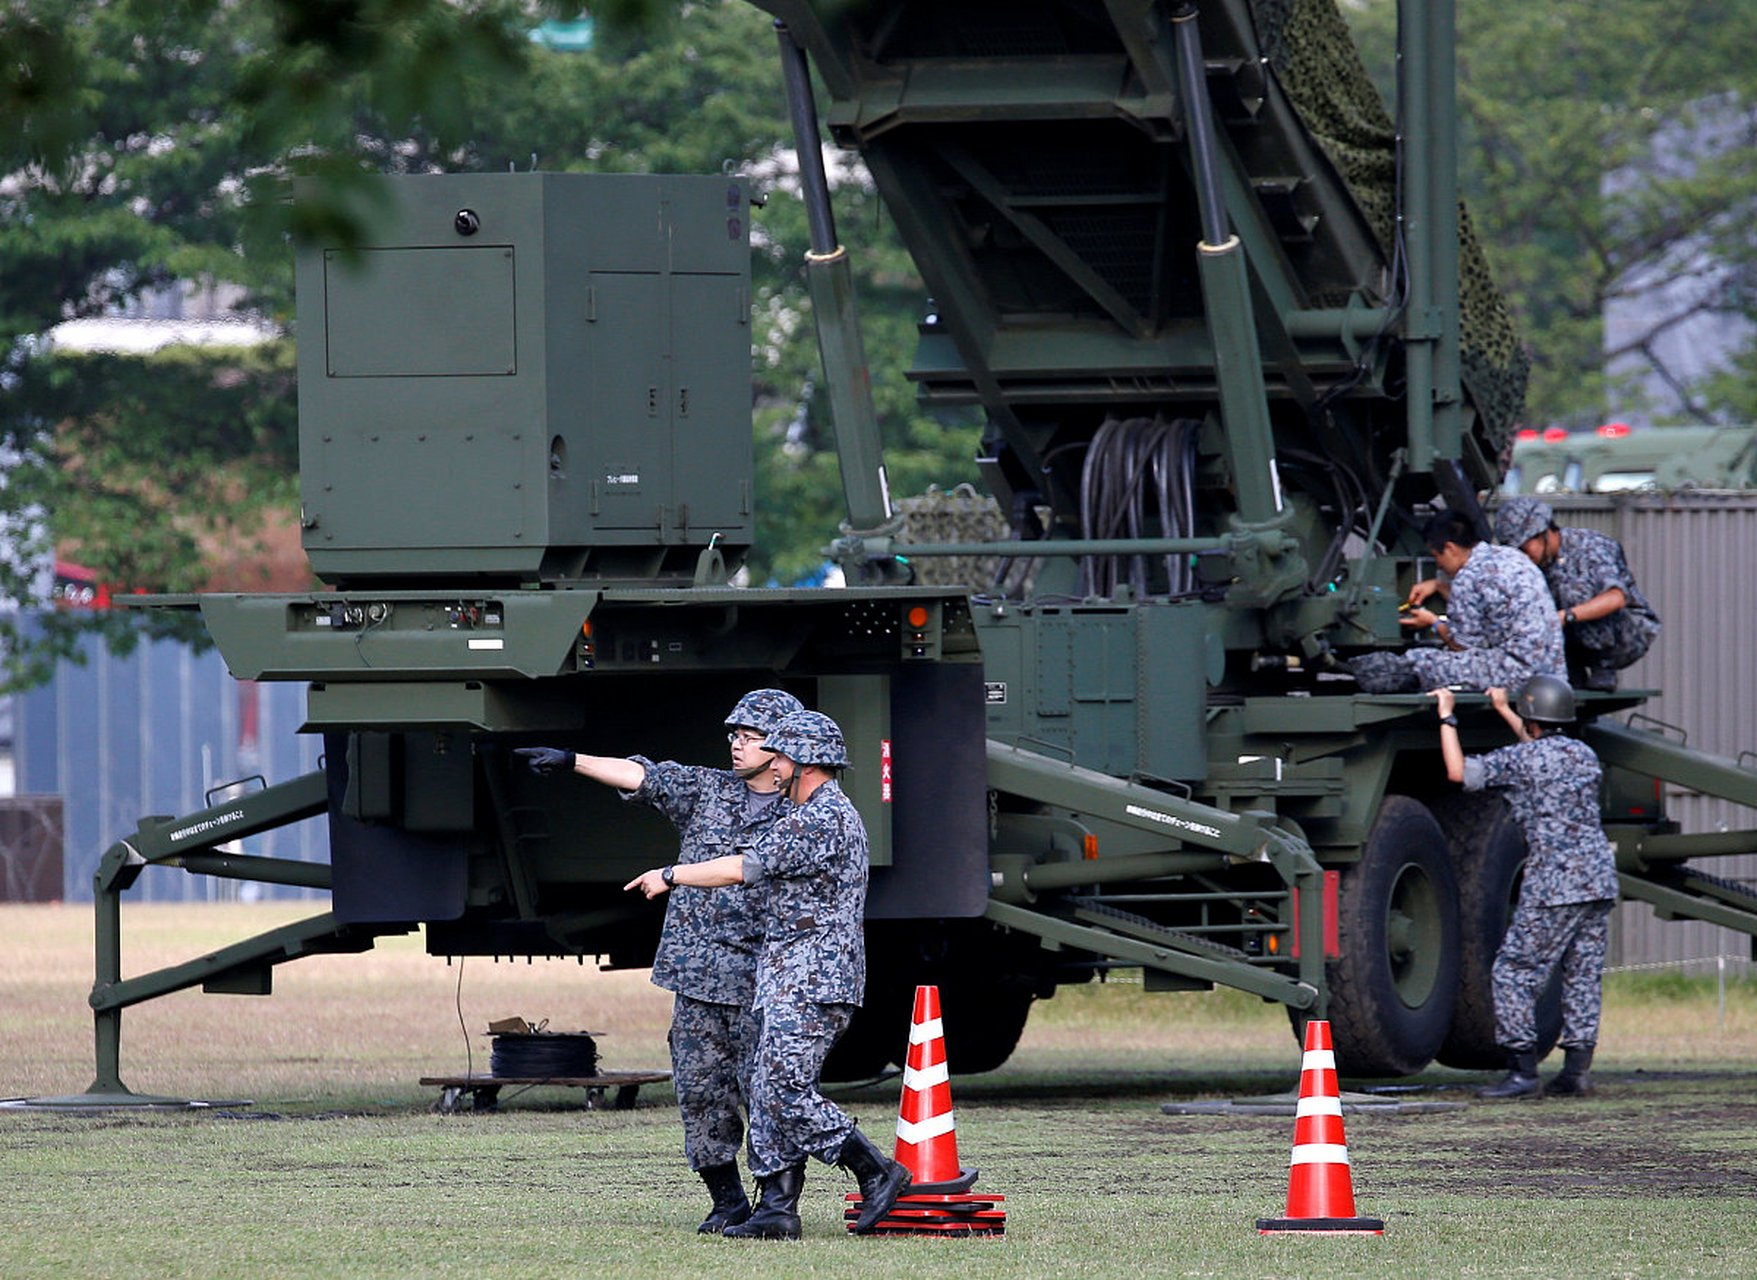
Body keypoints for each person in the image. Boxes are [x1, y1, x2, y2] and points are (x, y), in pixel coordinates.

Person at [515, 687, 803, 1235]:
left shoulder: (805, 815)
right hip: (697, 980)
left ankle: (777, 1207)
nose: (736, 745)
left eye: (749, 736)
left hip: (765, 982)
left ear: (782, 745)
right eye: (733, 735)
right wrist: (572, 760)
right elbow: (643, 776)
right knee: (699, 1091)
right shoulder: (710, 791)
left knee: (771, 1096)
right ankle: (727, 1201)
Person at [624, 709, 911, 1240]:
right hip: (789, 973)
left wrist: (670, 875)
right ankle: (777, 1213)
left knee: (780, 1091)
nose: (771, 764)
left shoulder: (821, 817)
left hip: (812, 976)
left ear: (804, 761)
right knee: (770, 1086)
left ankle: (876, 1172)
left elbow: (741, 867)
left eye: (779, 755)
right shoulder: (808, 810)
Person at [1430, 676, 1619, 1099]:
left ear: (1531, 720)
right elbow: (1537, 747)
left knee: (1514, 971)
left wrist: (1447, 716)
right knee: (1582, 974)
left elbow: (1459, 771)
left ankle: (1522, 1072)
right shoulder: (1584, 755)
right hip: (1598, 879)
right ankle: (1577, 1072)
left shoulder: (1524, 761)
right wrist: (1504, 709)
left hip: (1555, 881)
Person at [1350, 509, 1565, 694]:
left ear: (1451, 548)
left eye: (1437, 557)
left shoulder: (1467, 578)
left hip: (1518, 674)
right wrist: (1438, 585)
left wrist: (1432, 622)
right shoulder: (1511, 556)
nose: (1439, 565)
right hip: (1552, 672)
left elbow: (1463, 648)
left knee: (1420, 660)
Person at [1493, 496, 1661, 691]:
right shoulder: (1535, 565)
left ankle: (1603, 666)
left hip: (1626, 632)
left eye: (1524, 547)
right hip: (1572, 637)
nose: (1523, 556)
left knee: (1573, 594)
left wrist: (1565, 616)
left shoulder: (1590, 547)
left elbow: (1616, 598)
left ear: (1543, 533)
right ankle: (1569, 673)